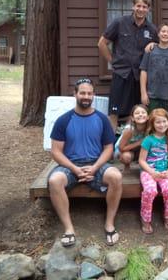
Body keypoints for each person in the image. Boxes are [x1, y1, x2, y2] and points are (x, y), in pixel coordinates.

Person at [48, 78, 122, 247]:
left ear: (94, 95)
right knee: (54, 180)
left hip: (97, 164)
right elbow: (56, 151)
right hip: (70, 165)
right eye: (82, 92)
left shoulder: (102, 119)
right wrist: (74, 169)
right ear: (75, 94)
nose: (86, 96)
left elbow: (108, 149)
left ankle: (109, 224)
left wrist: (95, 167)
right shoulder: (63, 120)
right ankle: (68, 229)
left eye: (89, 93)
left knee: (116, 176)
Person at [98, 0, 158, 130]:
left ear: (148, 9)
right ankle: (112, 143)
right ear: (133, 6)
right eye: (138, 6)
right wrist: (113, 62)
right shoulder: (119, 23)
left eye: (144, 6)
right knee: (114, 111)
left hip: (140, 76)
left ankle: (130, 141)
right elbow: (102, 43)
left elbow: (160, 49)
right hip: (121, 73)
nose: (141, 9)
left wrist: (153, 46)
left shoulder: (152, 29)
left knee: (137, 111)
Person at [139, 109, 168, 233]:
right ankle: (145, 218)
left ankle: (167, 215)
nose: (162, 125)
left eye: (164, 121)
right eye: (158, 122)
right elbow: (141, 160)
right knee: (150, 190)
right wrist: (152, 172)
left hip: (165, 172)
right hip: (148, 172)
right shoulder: (148, 140)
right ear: (152, 124)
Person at [113, 104, 149, 172]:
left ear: (148, 117)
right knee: (126, 157)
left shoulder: (149, 129)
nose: (140, 115)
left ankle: (144, 166)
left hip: (139, 149)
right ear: (132, 118)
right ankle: (126, 166)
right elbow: (121, 148)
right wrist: (139, 142)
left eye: (143, 112)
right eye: (137, 113)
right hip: (123, 150)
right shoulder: (129, 130)